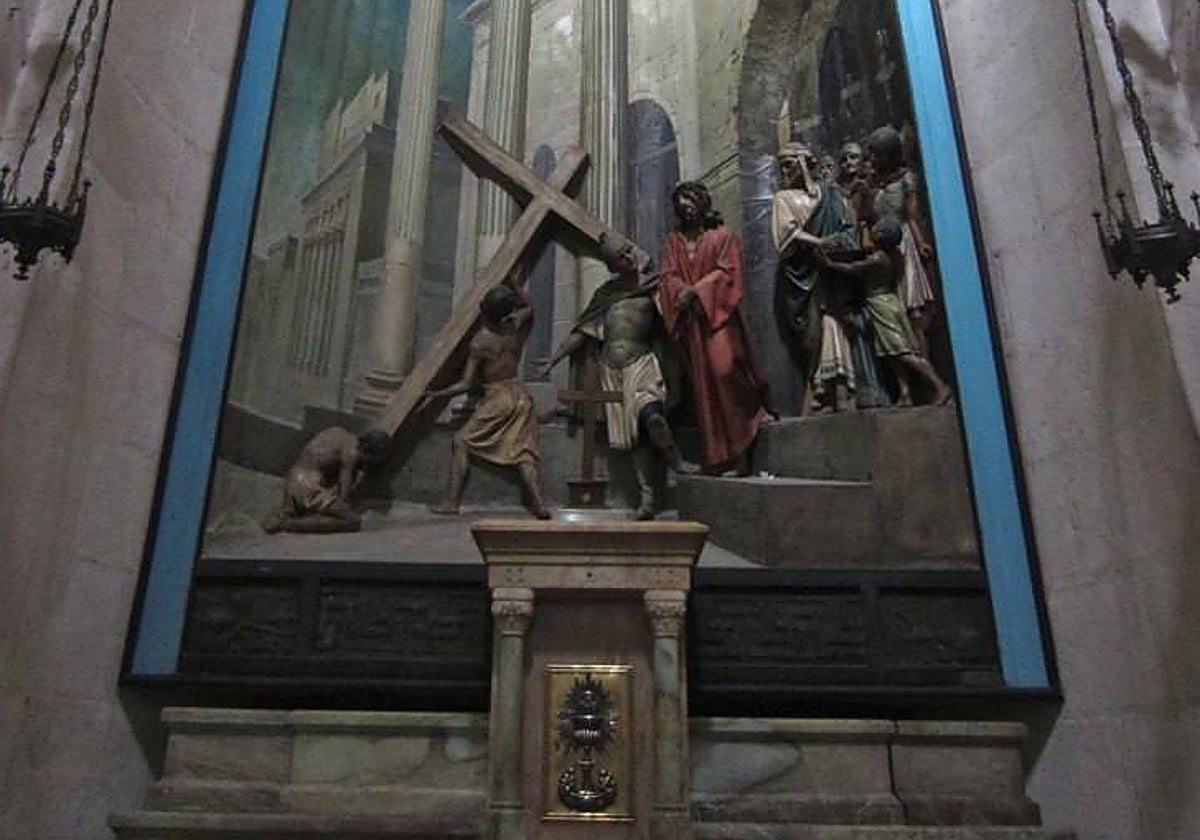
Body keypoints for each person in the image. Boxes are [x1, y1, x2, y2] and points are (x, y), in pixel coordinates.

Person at [534, 235, 696, 519]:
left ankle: (677, 461)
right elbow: (582, 333)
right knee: (634, 435)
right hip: (611, 369)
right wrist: (553, 360)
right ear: (612, 266)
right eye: (620, 256)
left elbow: (674, 320)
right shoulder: (606, 295)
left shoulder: (654, 287)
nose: (628, 257)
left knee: (652, 416)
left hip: (642, 363)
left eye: (628, 251)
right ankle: (647, 497)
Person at [426, 282, 550, 519]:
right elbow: (530, 307)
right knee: (525, 453)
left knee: (460, 441)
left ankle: (451, 502)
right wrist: (516, 285)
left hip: (498, 396)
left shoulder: (480, 341)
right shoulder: (515, 327)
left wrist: (436, 393)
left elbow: (465, 384)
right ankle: (539, 505)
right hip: (521, 396)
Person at [817, 216, 952, 407]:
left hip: (881, 304)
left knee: (903, 352)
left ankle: (938, 385)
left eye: (876, 228)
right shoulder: (896, 255)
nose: (873, 229)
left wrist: (829, 264)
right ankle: (905, 394)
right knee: (891, 352)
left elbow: (853, 268)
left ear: (881, 236)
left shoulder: (879, 258)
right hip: (891, 300)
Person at [769, 144, 859, 415]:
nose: (785, 171)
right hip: (802, 277)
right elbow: (787, 234)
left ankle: (837, 393)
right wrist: (820, 242)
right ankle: (817, 391)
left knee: (834, 325)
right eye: (782, 167)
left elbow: (847, 225)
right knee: (811, 336)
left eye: (789, 164)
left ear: (803, 162)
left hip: (831, 273)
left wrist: (839, 243)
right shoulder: (783, 198)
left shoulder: (828, 194)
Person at [864, 125, 937, 357]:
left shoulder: (906, 179)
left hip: (903, 245)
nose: (872, 159)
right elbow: (866, 218)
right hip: (881, 247)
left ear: (890, 154)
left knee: (913, 312)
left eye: (877, 154)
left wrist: (920, 242)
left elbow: (912, 215)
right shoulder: (871, 185)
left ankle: (924, 364)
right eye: (871, 154)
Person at [264, 427, 392, 533]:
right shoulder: (352, 454)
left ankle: (287, 514)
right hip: (306, 486)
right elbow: (344, 496)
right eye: (374, 460)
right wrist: (342, 508)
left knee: (328, 504)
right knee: (352, 521)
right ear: (368, 451)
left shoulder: (339, 433)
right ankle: (288, 524)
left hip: (293, 478)